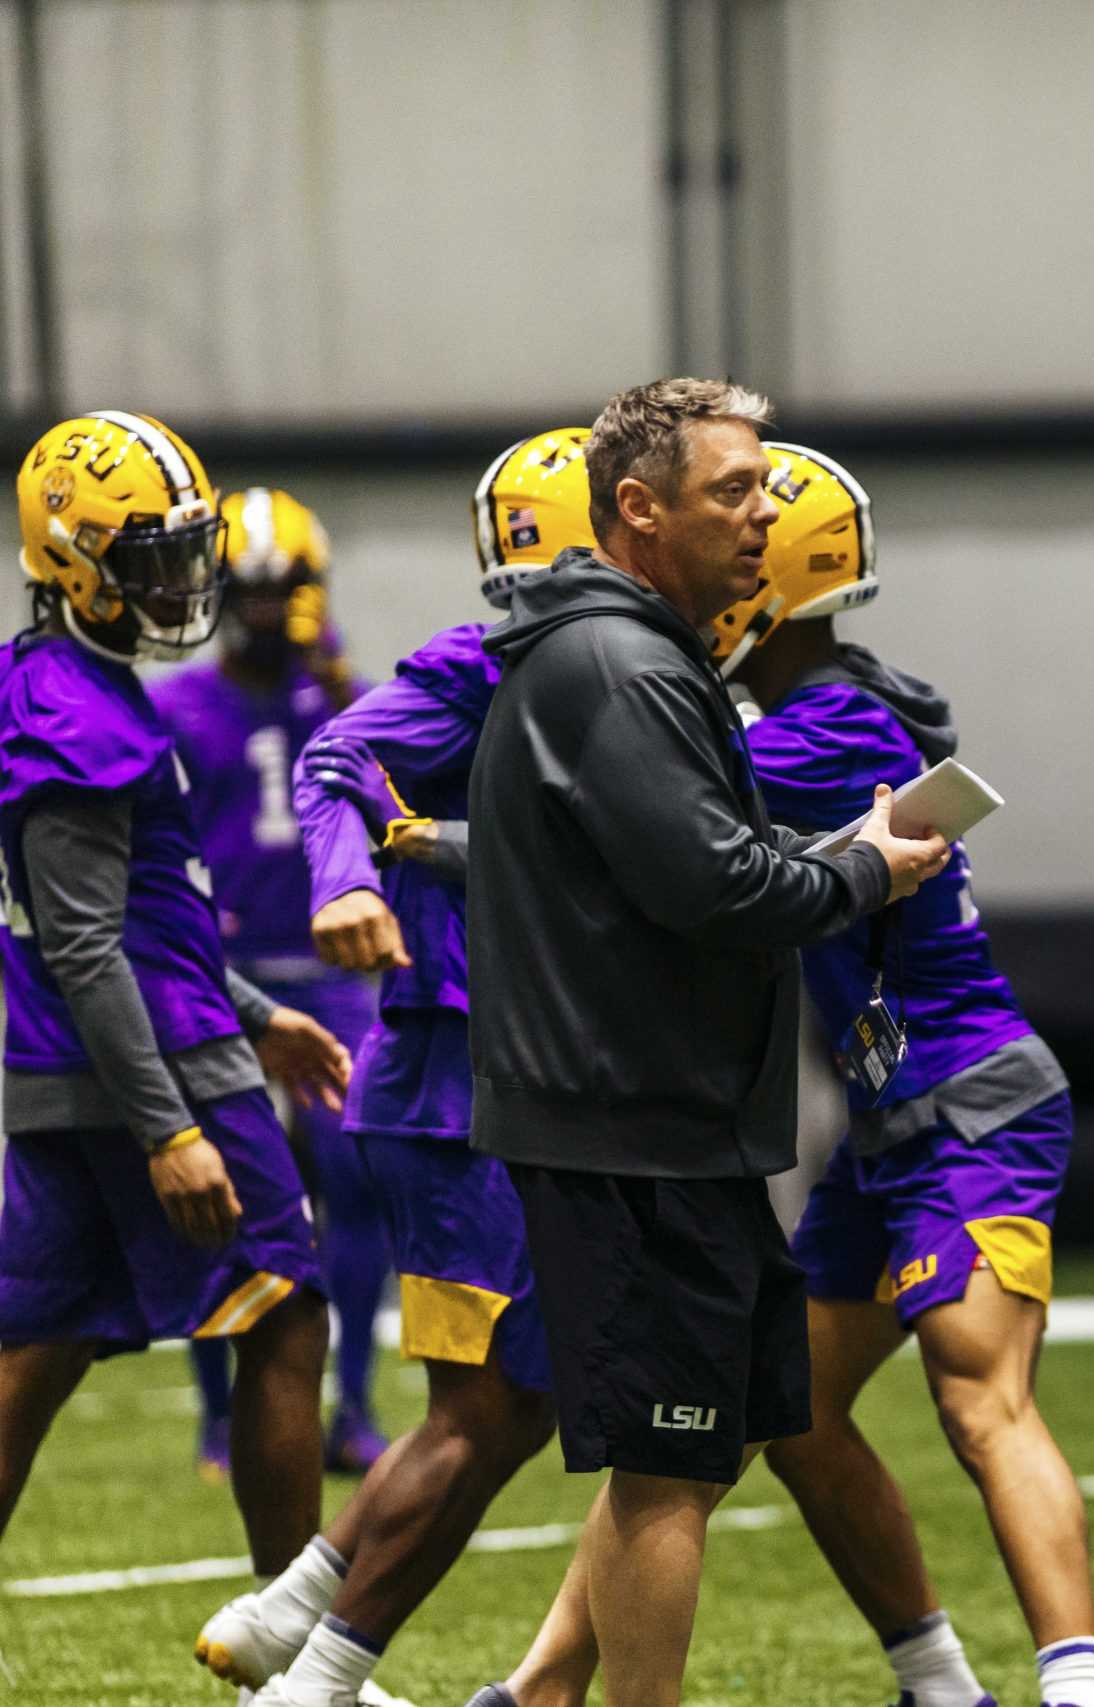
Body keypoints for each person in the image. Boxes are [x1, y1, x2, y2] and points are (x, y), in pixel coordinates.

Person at [467, 378, 947, 1707]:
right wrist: (866, 876)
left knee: (691, 1447)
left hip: (667, 1115)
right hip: (630, 1121)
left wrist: (834, 851)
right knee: (669, 1460)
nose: (765, 511)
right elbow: (719, 890)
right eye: (733, 488)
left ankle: (544, 1689)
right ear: (639, 507)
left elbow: (687, 863)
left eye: (765, 483)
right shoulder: (624, 667)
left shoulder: (629, 656)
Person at [190, 431, 593, 1707]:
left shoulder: (611, 667)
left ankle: (295, 1614)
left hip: (526, 1054)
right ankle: (313, 1669)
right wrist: (361, 867)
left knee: (522, 1401)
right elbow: (337, 776)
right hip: (420, 1036)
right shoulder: (482, 664)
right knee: (491, 1403)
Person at [0, 411, 349, 1582]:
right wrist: (171, 1127)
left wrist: (256, 1010)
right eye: (148, 558)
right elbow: (88, 946)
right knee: (287, 1313)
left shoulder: (62, 679)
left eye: (181, 552)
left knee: (33, 1352)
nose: (178, 582)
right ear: (71, 561)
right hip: (150, 1068)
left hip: (89, 1063)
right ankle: (296, 1646)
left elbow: (142, 919)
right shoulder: (75, 709)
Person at [153, 486, 389, 1481]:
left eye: (281, 587)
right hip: (224, 976)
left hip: (333, 976)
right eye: (247, 590)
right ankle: (220, 1419)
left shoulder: (344, 697)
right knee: (226, 1203)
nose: (264, 609)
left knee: (357, 1181)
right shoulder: (173, 707)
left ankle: (357, 1407)